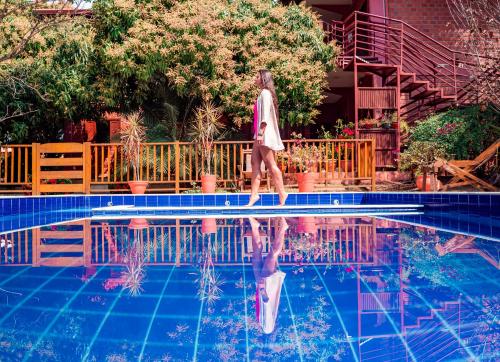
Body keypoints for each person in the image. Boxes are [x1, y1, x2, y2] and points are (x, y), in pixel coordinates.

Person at [247, 69, 288, 207]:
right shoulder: (262, 94)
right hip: (259, 134)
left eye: (257, 76)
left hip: (263, 134)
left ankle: (282, 193)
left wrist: (260, 133)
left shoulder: (265, 93)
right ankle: (254, 196)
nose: (255, 78)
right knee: (254, 163)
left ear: (263, 79)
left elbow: (264, 116)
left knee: (270, 165)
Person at [248, 216, 288, 334]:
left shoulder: (264, 325)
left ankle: (255, 227)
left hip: (261, 285)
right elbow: (266, 304)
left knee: (256, 254)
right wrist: (262, 289)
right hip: (266, 285)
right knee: (272, 256)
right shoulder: (267, 329)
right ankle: (283, 228)